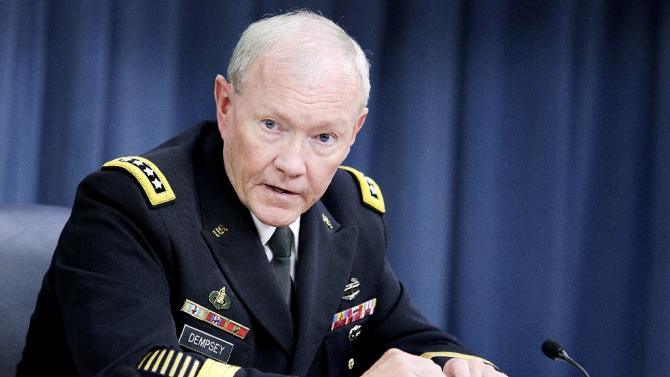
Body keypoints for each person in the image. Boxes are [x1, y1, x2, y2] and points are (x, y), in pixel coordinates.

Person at [18, 10, 507, 377]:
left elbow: (403, 333)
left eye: (324, 138)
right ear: (226, 105)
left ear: (354, 132)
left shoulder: (351, 211)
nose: (293, 165)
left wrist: (458, 366)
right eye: (272, 125)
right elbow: (136, 368)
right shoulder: (131, 206)